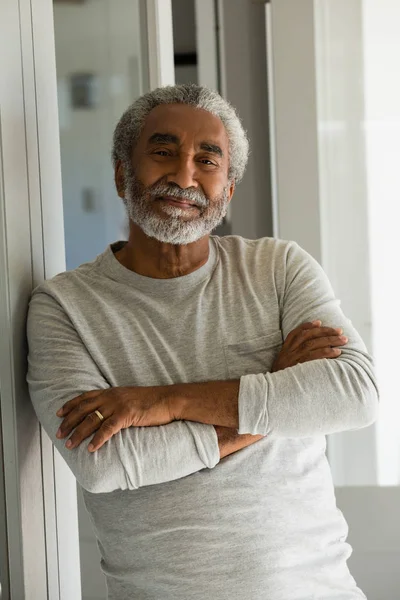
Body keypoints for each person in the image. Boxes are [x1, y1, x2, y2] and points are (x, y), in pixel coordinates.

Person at [27, 84, 378, 600]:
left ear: (228, 188)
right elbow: (104, 465)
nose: (184, 176)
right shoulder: (64, 306)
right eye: (163, 152)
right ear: (123, 172)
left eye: (207, 160)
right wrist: (277, 392)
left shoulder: (279, 268)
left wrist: (162, 403)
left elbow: (353, 393)